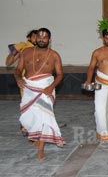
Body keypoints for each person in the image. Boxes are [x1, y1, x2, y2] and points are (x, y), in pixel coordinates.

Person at [14, 28, 65, 161]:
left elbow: (60, 75)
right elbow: (18, 69)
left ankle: (41, 149)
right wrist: (18, 79)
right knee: (29, 117)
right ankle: (36, 136)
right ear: (35, 38)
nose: (42, 39)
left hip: (46, 88)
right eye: (39, 37)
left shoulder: (54, 55)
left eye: (45, 37)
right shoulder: (26, 52)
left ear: (49, 40)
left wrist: (51, 87)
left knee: (44, 117)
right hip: (29, 88)